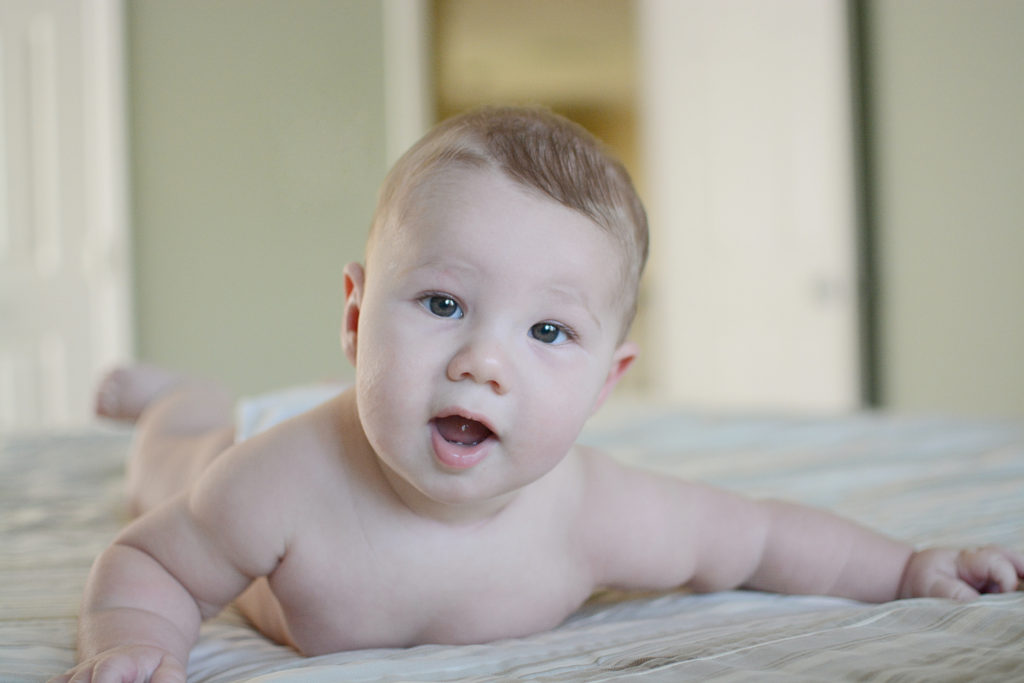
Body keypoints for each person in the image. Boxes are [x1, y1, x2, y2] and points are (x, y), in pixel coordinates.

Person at [54, 107, 1023, 683]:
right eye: (441, 301)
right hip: (263, 430)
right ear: (356, 317)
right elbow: (151, 561)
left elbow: (762, 536)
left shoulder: (594, 511)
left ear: (608, 382)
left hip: (372, 407)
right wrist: (134, 637)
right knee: (167, 466)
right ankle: (179, 395)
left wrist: (908, 568)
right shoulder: (275, 481)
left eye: (547, 330)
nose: (483, 360)